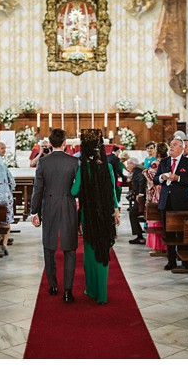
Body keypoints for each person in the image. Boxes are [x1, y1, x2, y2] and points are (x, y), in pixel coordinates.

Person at [31, 127, 80, 300]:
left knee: (49, 247)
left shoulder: (43, 162)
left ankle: (53, 286)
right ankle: (68, 291)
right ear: (65, 143)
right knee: (70, 248)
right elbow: (78, 188)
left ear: (50, 144)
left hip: (49, 205)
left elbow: (38, 189)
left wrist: (34, 211)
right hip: (67, 204)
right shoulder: (74, 162)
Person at [71, 130, 120, 303]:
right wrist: (115, 211)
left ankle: (91, 290)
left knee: (90, 253)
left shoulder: (84, 169)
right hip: (105, 214)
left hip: (89, 215)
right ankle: (102, 294)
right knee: (103, 250)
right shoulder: (107, 167)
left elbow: (74, 191)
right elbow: (113, 192)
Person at [156, 136, 188, 269]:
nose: (171, 147)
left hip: (182, 202)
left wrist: (178, 178)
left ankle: (185, 261)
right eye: (170, 144)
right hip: (166, 201)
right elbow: (155, 179)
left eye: (175, 145)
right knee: (168, 233)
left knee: (183, 232)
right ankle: (171, 261)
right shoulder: (164, 161)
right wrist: (161, 177)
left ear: (182, 148)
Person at [144, 141, 169, 253]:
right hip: (166, 192)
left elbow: (153, 180)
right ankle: (165, 246)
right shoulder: (169, 162)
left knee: (155, 219)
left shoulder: (155, 163)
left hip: (157, 193)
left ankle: (157, 247)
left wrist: (145, 173)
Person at [126, 156, 148, 243]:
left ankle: (140, 237)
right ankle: (139, 233)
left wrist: (140, 194)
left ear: (132, 164)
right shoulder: (140, 168)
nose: (127, 167)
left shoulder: (137, 170)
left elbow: (142, 180)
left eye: (128, 164)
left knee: (132, 213)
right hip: (144, 197)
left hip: (142, 198)